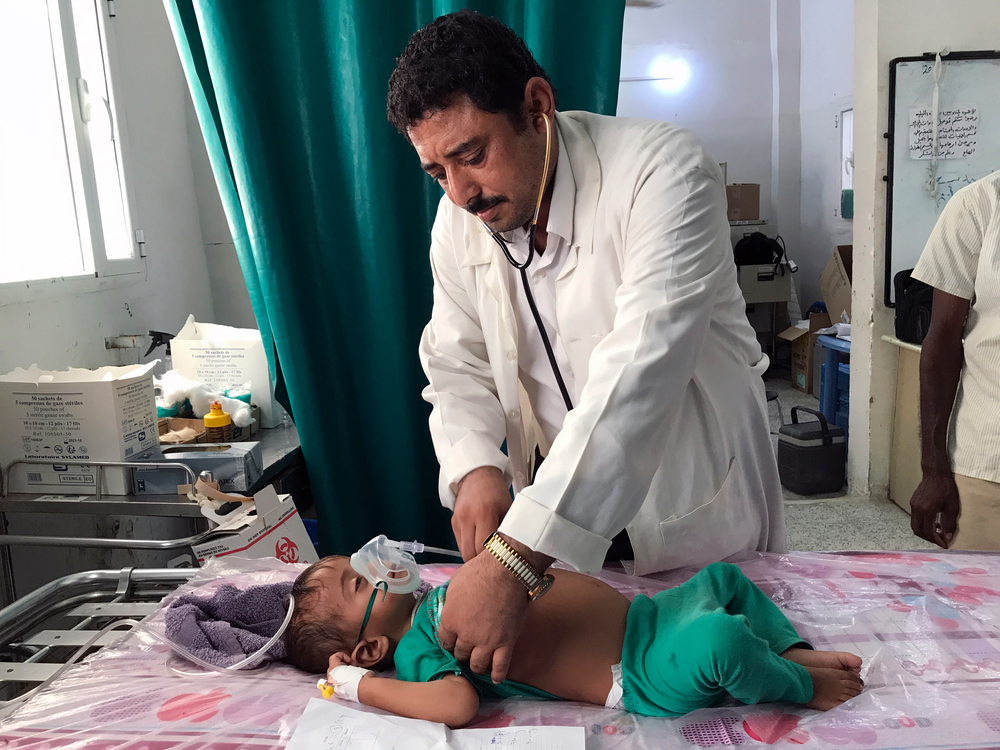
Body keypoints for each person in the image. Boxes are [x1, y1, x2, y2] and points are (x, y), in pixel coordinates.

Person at [387, 10, 783, 684]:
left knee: (722, 669)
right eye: (436, 173)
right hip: (562, 528)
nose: (459, 194)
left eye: (473, 155)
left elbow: (640, 373)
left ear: (537, 106)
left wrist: (515, 557)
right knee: (615, 685)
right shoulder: (460, 219)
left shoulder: (663, 173)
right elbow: (455, 358)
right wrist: (476, 467)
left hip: (690, 506)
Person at [284, 556, 863, 728]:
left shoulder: (437, 594)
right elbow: (454, 704)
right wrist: (359, 688)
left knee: (725, 581)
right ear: (369, 649)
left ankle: (784, 650)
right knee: (721, 641)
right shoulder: (415, 649)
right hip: (638, 668)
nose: (373, 563)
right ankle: (799, 684)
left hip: (648, 616)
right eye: (360, 581)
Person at [909, 170, 1000, 550]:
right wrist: (933, 468)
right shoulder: (979, 205)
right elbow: (943, 340)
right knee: (975, 608)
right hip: (989, 463)